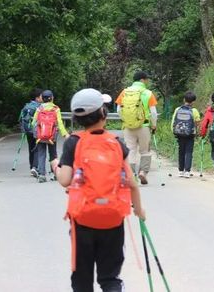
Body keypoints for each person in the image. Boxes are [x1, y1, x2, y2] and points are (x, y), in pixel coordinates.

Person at [54, 88, 145, 292]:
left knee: (82, 279)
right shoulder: (116, 143)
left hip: (82, 219)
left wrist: (55, 166)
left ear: (76, 119)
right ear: (104, 114)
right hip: (113, 218)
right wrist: (139, 210)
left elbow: (65, 179)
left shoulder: (73, 142)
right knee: (110, 277)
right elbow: (131, 183)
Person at [115, 70, 158, 185]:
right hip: (144, 126)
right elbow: (153, 113)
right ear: (142, 80)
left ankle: (131, 175)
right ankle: (143, 172)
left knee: (131, 150)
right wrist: (154, 125)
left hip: (128, 127)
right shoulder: (148, 93)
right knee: (145, 151)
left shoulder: (124, 92)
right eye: (146, 79)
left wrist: (126, 120)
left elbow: (119, 109)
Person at [32, 89, 68, 182]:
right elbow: (60, 123)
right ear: (52, 98)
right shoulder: (56, 109)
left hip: (40, 136)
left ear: (42, 99)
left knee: (41, 154)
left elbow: (33, 123)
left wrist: (36, 133)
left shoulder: (39, 108)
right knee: (53, 154)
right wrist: (65, 134)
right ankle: (55, 173)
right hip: (52, 136)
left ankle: (42, 175)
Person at [171, 91, 201, 177]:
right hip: (190, 134)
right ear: (193, 101)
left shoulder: (178, 109)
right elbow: (197, 122)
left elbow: (173, 121)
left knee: (181, 151)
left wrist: (174, 131)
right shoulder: (194, 111)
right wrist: (196, 131)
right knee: (189, 151)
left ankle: (180, 171)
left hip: (179, 133)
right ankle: (187, 171)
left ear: (184, 99)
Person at [18, 88, 43, 174]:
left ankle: (31, 166)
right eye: (41, 96)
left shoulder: (26, 106)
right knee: (37, 148)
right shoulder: (39, 107)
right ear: (37, 98)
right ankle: (35, 167)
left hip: (27, 131)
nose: (42, 98)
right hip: (36, 131)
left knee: (31, 148)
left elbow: (20, 118)